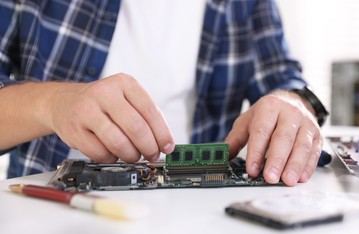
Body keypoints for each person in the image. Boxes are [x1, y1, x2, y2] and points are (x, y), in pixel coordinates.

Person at [0, 0, 328, 186]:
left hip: (203, 222)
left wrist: (294, 103)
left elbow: (285, 80)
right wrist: (52, 105)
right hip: (50, 218)